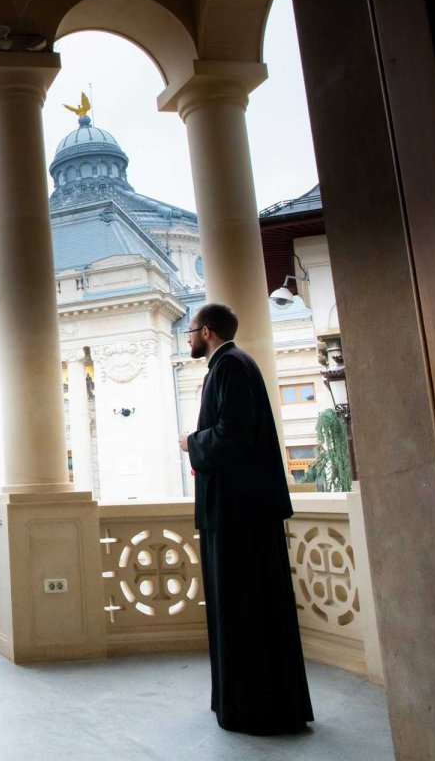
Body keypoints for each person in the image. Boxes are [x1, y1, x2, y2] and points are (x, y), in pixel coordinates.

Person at [179, 303, 314, 735]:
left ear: (210, 332)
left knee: (243, 609)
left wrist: (191, 443)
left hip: (238, 513)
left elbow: (232, 435)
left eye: (192, 331)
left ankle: (252, 707)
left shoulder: (230, 368)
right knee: (251, 608)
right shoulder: (234, 365)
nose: (188, 338)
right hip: (244, 509)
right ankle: (252, 703)